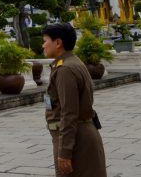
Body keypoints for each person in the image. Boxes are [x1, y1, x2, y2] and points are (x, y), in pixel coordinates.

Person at [42, 23, 106, 176]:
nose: (43, 45)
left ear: (58, 43)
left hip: (75, 139)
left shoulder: (65, 70)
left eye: (45, 40)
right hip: (80, 134)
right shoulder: (72, 62)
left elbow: (69, 113)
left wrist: (65, 151)